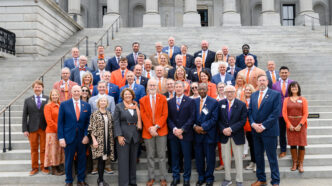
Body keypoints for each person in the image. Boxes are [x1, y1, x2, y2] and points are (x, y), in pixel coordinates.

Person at [249, 75, 281, 186]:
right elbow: (250, 111)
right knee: (258, 156)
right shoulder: (253, 95)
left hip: (269, 131)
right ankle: (261, 179)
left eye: (263, 80)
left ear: (267, 82)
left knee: (272, 157)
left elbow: (276, 113)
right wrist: (253, 124)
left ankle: (275, 181)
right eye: (260, 80)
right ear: (257, 83)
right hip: (255, 132)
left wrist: (262, 126)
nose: (262, 82)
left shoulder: (275, 94)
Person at [58, 85, 92, 186]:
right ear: (71, 93)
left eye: (78, 91)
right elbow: (60, 123)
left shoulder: (86, 105)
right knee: (69, 160)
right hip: (68, 137)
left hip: (82, 138)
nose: (76, 93)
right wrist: (61, 138)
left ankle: (81, 180)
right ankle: (69, 181)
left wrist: (87, 135)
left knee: (82, 159)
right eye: (75, 91)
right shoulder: (64, 105)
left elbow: (88, 123)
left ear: (81, 93)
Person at [140, 78, 169, 186]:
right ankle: (151, 178)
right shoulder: (142, 100)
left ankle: (163, 178)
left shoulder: (163, 98)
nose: (152, 87)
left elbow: (165, 114)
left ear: (157, 87)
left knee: (162, 156)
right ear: (147, 87)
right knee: (150, 156)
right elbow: (143, 116)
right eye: (150, 85)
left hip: (161, 131)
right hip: (148, 132)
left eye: (154, 85)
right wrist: (150, 128)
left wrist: (156, 127)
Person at [167, 81, 195, 186]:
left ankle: (186, 178)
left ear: (184, 89)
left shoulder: (190, 101)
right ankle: (176, 177)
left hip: (186, 134)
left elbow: (192, 118)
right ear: (174, 88)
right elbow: (168, 118)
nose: (178, 89)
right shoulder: (170, 102)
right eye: (176, 87)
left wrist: (182, 130)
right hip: (173, 134)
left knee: (187, 157)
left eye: (180, 87)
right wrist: (175, 129)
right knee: (174, 157)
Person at [219, 85, 247, 186]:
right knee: (226, 158)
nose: (229, 94)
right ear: (224, 93)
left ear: (235, 93)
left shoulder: (241, 104)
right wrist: (223, 129)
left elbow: (243, 121)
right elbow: (218, 119)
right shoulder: (220, 103)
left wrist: (231, 129)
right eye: (227, 92)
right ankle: (227, 179)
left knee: (238, 158)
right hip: (224, 135)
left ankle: (239, 180)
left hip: (237, 135)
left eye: (231, 91)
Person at [114, 88, 142, 186]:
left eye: (129, 94)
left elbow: (139, 120)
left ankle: (132, 182)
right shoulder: (118, 106)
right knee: (123, 162)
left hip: (135, 136)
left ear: (132, 96)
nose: (127, 96)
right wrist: (119, 135)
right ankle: (124, 183)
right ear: (122, 96)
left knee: (133, 162)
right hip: (123, 136)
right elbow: (116, 122)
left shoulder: (136, 106)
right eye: (125, 94)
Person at [22, 80, 49, 176]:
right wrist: (25, 129)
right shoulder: (28, 100)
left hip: (43, 127)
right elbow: (25, 115)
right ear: (33, 89)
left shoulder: (47, 98)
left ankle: (44, 166)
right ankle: (34, 167)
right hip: (32, 128)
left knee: (43, 149)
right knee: (33, 149)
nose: (37, 88)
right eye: (35, 87)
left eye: (39, 87)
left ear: (42, 88)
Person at [193, 83, 219, 186]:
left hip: (209, 135)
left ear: (207, 89)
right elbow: (191, 117)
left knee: (210, 158)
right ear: (197, 90)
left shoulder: (213, 102)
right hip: (197, 135)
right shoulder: (194, 102)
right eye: (200, 89)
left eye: (204, 89)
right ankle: (201, 177)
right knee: (199, 158)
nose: (202, 90)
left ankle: (209, 178)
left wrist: (203, 127)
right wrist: (195, 127)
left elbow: (214, 119)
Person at [88, 96, 115, 186]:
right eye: (101, 101)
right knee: (100, 160)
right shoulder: (95, 114)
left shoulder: (109, 113)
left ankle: (101, 179)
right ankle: (100, 181)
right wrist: (94, 140)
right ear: (98, 103)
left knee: (104, 160)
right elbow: (91, 128)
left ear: (107, 103)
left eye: (104, 101)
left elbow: (111, 127)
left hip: (107, 141)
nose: (103, 102)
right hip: (99, 141)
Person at [282, 81, 308, 173]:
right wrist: (289, 124)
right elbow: (284, 113)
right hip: (290, 124)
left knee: (301, 144)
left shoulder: (303, 99)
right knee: (292, 143)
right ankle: (294, 163)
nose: (294, 88)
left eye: (295, 87)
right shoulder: (286, 100)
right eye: (292, 87)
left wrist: (300, 124)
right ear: (290, 89)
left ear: (298, 88)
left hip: (301, 124)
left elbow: (305, 113)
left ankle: (300, 164)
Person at [272, 66, 293, 158]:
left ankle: (293, 149)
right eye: (282, 72)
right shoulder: (275, 85)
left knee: (292, 131)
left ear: (288, 73)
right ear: (279, 74)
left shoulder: (293, 83)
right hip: (280, 112)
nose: (284, 74)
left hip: (291, 111)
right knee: (281, 132)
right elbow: (273, 99)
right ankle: (283, 150)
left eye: (285, 72)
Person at [44, 89, 65, 176]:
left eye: (56, 95)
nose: (55, 96)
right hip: (52, 132)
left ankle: (58, 165)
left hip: (60, 131)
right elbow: (49, 121)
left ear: (58, 96)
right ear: (50, 96)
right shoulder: (48, 106)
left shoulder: (61, 105)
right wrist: (59, 130)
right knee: (52, 150)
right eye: (53, 95)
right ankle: (53, 168)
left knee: (59, 150)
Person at [242, 84, 257, 172]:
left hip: (254, 126)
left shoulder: (255, 100)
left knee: (256, 146)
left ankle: (257, 163)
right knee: (251, 145)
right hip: (246, 127)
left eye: (249, 90)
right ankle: (253, 161)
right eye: (246, 90)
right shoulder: (242, 101)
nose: (247, 91)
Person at [215, 82, 226, 171]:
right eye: (219, 87)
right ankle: (222, 163)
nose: (221, 89)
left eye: (223, 87)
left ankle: (227, 163)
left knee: (227, 147)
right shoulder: (215, 100)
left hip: (228, 127)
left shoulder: (229, 99)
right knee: (220, 146)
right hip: (218, 127)